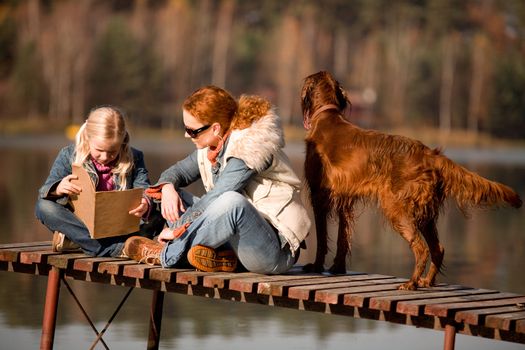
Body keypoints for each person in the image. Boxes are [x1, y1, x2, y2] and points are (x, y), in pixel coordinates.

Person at [124, 86, 311, 274]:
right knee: (176, 197)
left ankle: (167, 254)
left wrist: (177, 231)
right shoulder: (212, 145)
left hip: (273, 252)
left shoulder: (251, 147)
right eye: (185, 128)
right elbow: (177, 172)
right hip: (240, 245)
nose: (186, 135)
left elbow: (218, 196)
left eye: (192, 130)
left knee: (232, 202)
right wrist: (167, 189)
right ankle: (220, 257)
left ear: (215, 128)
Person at [35, 106, 159, 257]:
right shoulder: (69, 154)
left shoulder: (135, 157)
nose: (105, 157)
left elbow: (144, 188)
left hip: (120, 227)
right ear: (88, 137)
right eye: (99, 150)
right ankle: (114, 249)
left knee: (160, 210)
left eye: (113, 152)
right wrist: (58, 188)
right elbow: (45, 191)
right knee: (43, 207)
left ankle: (75, 241)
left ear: (122, 141)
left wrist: (145, 202)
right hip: (82, 224)